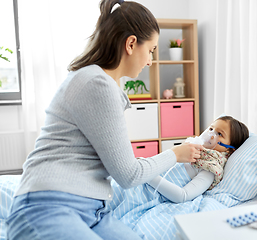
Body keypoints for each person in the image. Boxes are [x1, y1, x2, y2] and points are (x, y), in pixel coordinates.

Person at [5, 1, 203, 240]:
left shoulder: (98, 82)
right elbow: (129, 175)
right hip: (49, 205)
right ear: (131, 44)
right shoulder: (97, 83)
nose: (150, 61)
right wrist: (176, 153)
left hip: (94, 211)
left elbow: (122, 164)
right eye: (150, 50)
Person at [147, 116, 249, 203]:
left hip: (147, 192)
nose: (211, 134)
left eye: (220, 134)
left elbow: (183, 196)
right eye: (211, 129)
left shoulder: (210, 167)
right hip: (141, 180)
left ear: (229, 150)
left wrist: (149, 175)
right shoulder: (189, 149)